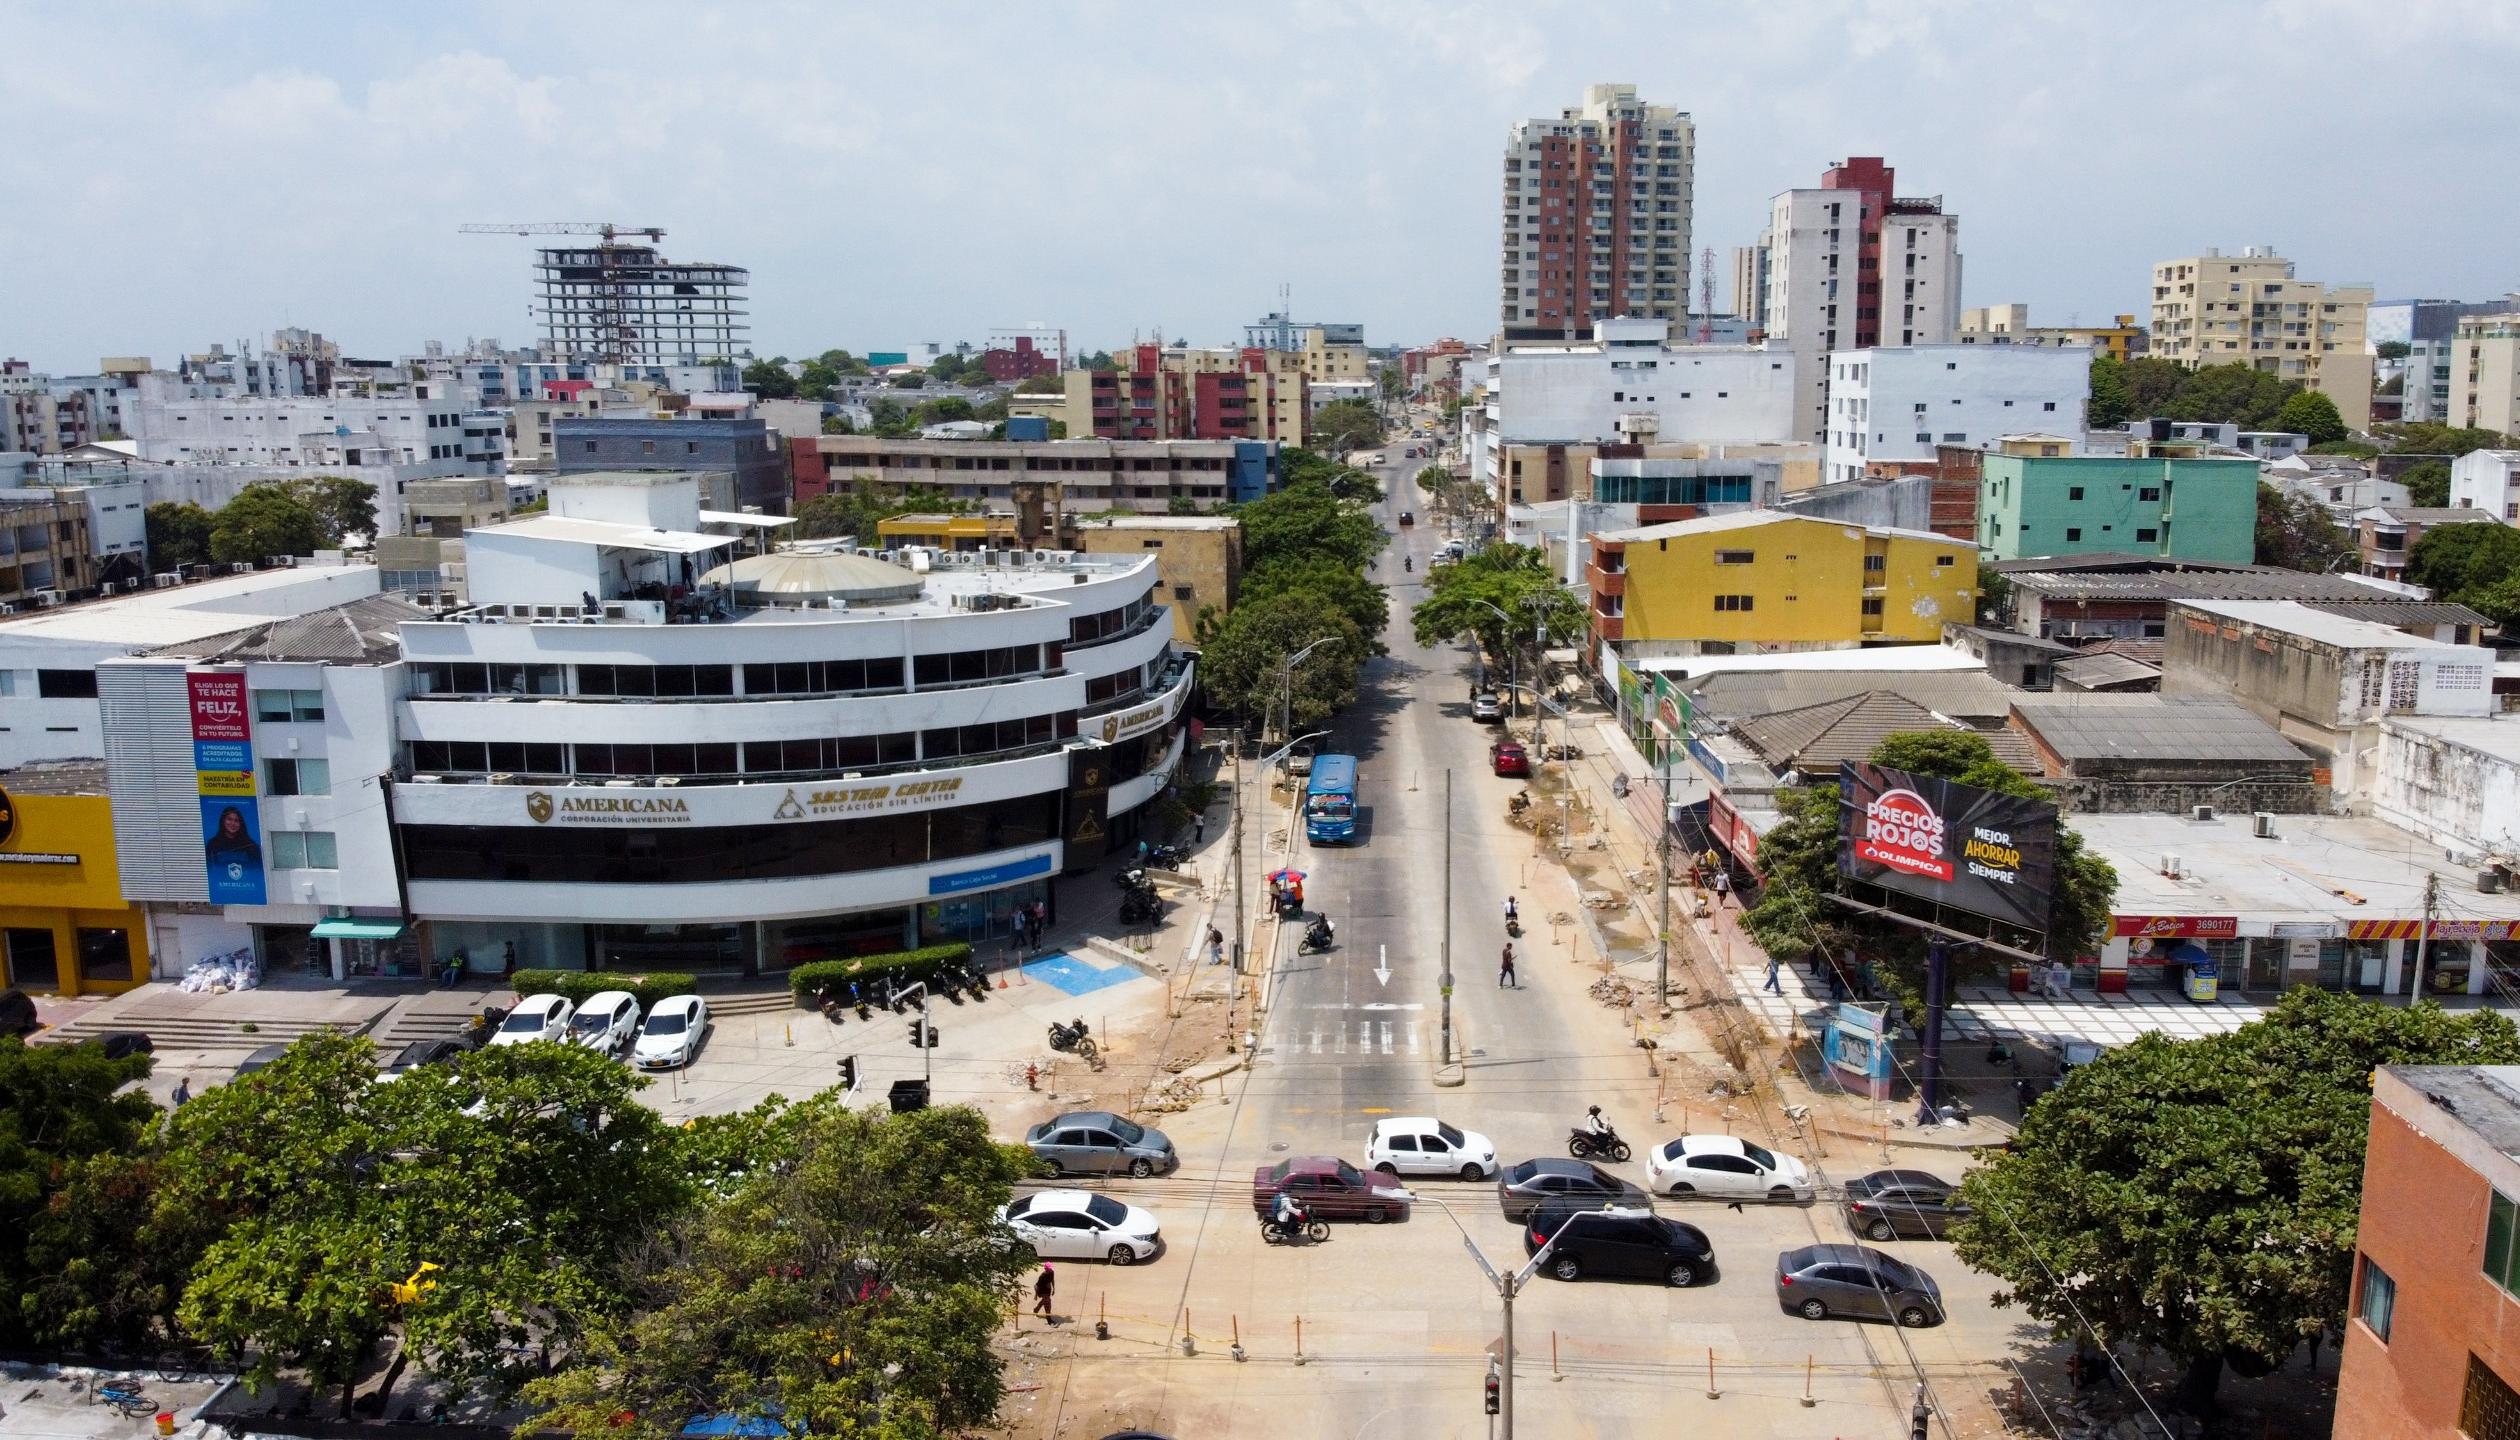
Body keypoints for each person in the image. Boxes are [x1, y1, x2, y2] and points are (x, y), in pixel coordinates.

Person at [204, 805, 261, 875]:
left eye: (236, 821)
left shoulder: (251, 845)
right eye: (229, 819)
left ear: (240, 824)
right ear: (223, 821)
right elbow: (209, 869)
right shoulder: (212, 844)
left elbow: (257, 869)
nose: (233, 823)